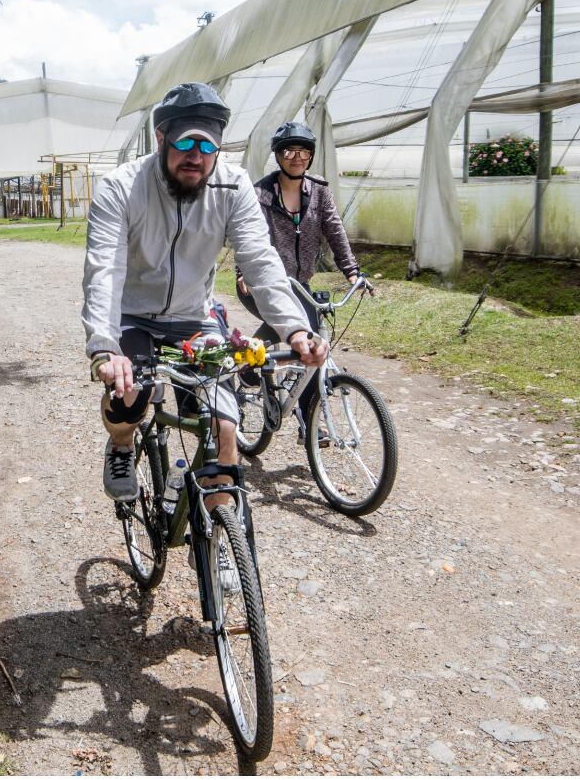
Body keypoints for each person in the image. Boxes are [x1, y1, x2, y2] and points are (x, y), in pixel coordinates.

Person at [83, 83, 326, 504]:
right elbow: (104, 270)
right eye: (184, 142)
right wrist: (105, 350)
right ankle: (122, 446)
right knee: (129, 397)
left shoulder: (233, 187)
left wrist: (294, 329)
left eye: (207, 145)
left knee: (223, 423)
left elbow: (260, 261)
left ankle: (220, 549)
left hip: (194, 317)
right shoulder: (121, 187)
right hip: (133, 316)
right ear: (161, 139)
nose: (195, 156)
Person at [235, 120, 369, 430]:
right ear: (278, 155)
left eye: (304, 151)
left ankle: (308, 421)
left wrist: (351, 271)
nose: (298, 157)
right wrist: (244, 273)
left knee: (309, 344)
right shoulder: (260, 194)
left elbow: (335, 230)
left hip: (299, 283)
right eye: (290, 151)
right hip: (261, 282)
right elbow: (248, 236)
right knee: (297, 331)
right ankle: (248, 364)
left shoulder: (319, 190)